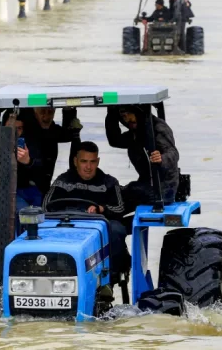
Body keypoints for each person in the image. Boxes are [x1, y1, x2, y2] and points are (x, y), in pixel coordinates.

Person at [43, 141, 129, 274]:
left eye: (92, 162)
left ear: (98, 161)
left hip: (98, 228)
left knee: (117, 230)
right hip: (69, 224)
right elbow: (46, 206)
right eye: (84, 161)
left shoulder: (109, 182)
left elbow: (120, 208)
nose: (88, 166)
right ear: (75, 161)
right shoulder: (63, 181)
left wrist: (101, 209)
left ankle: (110, 276)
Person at [105, 106, 179, 211]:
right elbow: (115, 140)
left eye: (128, 115)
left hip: (164, 188)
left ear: (138, 112)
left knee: (125, 192)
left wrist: (161, 158)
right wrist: (111, 114)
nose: (127, 120)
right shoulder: (137, 132)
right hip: (147, 183)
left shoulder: (158, 128)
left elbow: (173, 153)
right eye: (123, 117)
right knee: (112, 191)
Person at [25, 107, 83, 195]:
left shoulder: (53, 130)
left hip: (44, 186)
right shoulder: (26, 130)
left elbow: (68, 135)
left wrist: (70, 112)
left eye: (50, 112)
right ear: (35, 113)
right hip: (25, 186)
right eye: (42, 112)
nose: (46, 116)